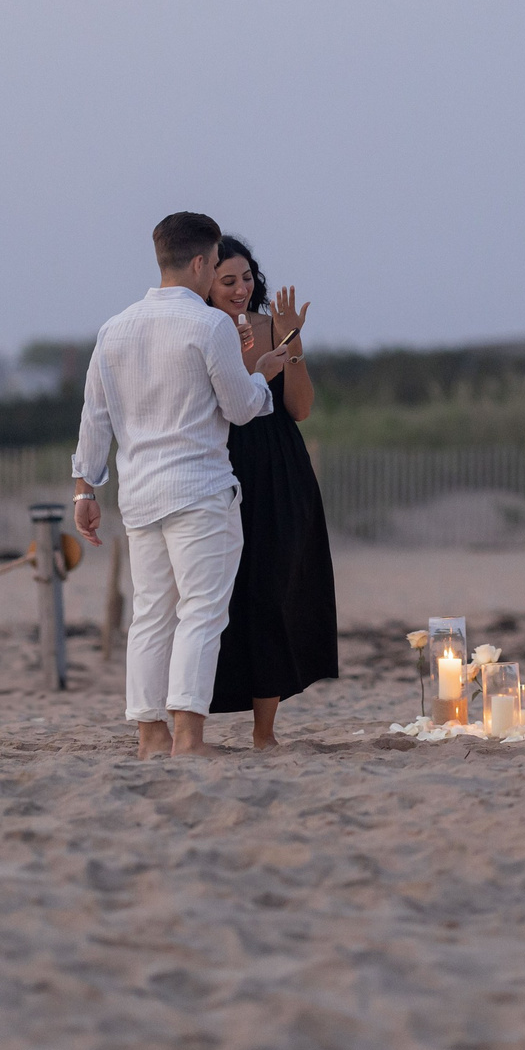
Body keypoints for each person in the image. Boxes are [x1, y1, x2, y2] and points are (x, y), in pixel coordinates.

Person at [71, 212, 292, 759]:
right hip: (199, 490)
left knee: (150, 615)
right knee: (201, 612)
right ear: (199, 263)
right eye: (216, 264)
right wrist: (262, 374)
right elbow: (240, 408)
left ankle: (151, 737)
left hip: (140, 494)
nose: (217, 273)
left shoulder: (114, 328)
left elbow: (94, 417)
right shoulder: (209, 325)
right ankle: (189, 738)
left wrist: (84, 490)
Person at [203, 235, 338, 747]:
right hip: (219, 462)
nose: (241, 289)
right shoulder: (198, 331)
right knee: (219, 594)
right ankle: (192, 720)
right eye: (228, 280)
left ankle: (265, 732)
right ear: (205, 282)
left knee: (272, 589)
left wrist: (292, 345)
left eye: (246, 277)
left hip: (279, 467)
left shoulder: (273, 326)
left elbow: (300, 409)